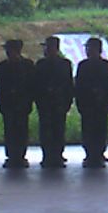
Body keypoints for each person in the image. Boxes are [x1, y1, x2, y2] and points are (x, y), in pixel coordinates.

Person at [75, 37, 108, 168]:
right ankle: (89, 154)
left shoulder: (106, 65)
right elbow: (78, 86)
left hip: (101, 104)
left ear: (98, 49)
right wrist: (80, 103)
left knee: (101, 130)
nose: (88, 51)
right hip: (87, 104)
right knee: (87, 130)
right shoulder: (83, 65)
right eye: (87, 48)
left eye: (90, 48)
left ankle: (99, 154)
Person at [33, 36, 74, 168]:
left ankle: (57, 155)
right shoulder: (41, 64)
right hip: (46, 102)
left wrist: (67, 101)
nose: (46, 50)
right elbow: (36, 85)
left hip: (58, 102)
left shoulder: (64, 64)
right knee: (47, 130)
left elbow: (68, 84)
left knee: (58, 129)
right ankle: (48, 155)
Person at [0, 39, 35, 168]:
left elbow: (31, 85)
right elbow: (1, 86)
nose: (8, 52)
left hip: (22, 103)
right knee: (9, 130)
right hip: (8, 103)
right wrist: (1, 103)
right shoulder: (3, 65)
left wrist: (29, 101)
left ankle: (20, 156)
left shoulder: (27, 65)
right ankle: (11, 156)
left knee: (21, 130)